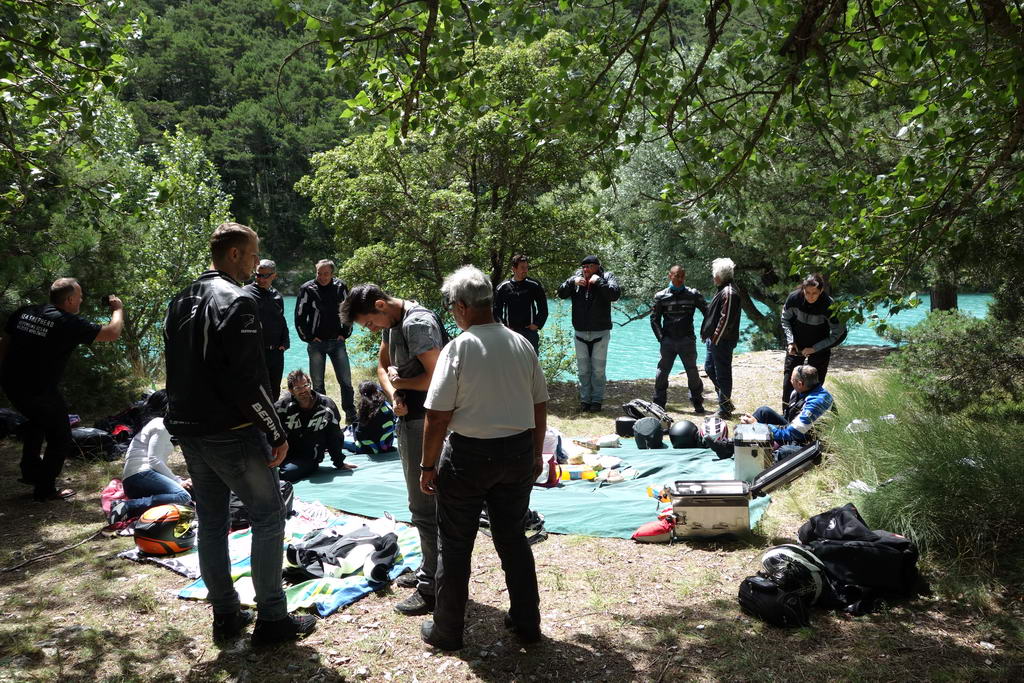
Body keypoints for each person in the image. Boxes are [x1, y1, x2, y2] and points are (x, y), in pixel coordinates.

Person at [164, 221, 316, 645]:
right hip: (230, 429)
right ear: (233, 255)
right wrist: (277, 430)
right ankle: (272, 619)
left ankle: (226, 614)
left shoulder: (180, 300)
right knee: (268, 516)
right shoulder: (239, 300)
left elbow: (175, 370)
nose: (256, 262)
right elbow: (249, 382)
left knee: (212, 520)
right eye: (252, 254)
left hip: (190, 428)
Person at [418, 266, 548, 651]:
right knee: (512, 540)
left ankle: (447, 631)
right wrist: (537, 452)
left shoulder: (460, 347)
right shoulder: (521, 343)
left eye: (451, 307)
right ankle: (527, 622)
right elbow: (539, 404)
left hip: (469, 458)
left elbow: (438, 415)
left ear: (461, 306)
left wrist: (427, 465)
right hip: (518, 452)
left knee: (455, 546)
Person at [341, 284, 446, 616]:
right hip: (409, 416)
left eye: (370, 323)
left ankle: (433, 585)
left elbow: (437, 378)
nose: (371, 330)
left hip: (425, 422)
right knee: (423, 505)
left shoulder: (417, 324)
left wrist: (401, 386)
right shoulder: (394, 322)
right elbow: (383, 365)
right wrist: (393, 395)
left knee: (425, 506)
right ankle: (433, 570)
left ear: (381, 305)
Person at [0, 278, 123, 501]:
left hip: (12, 384)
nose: (82, 299)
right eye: (80, 296)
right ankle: (44, 489)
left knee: (37, 422)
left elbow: (4, 343)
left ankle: (31, 473)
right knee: (60, 436)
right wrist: (117, 309)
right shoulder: (67, 322)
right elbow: (112, 333)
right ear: (69, 300)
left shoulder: (26, 311)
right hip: (39, 390)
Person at [108, 390, 192, 525]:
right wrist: (177, 480)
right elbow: (154, 461)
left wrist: (177, 480)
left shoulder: (155, 424)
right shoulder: (160, 425)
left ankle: (131, 506)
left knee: (188, 491)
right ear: (168, 407)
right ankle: (127, 506)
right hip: (139, 477)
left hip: (136, 482)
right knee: (183, 496)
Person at [556, 255, 622, 412]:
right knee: (583, 370)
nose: (586, 270)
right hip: (580, 332)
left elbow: (615, 294)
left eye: (589, 266)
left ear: (597, 267)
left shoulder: (607, 277)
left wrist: (599, 282)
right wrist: (571, 282)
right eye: (584, 267)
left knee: (598, 370)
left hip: (601, 332)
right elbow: (561, 293)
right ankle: (585, 400)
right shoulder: (576, 280)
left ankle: (597, 401)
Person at [295, 259, 356, 424]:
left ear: (332, 273)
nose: (322, 277)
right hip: (316, 344)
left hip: (337, 342)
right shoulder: (307, 289)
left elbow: (349, 311)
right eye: (319, 273)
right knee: (318, 384)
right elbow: (299, 316)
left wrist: (345, 333)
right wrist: (307, 337)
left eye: (326, 274)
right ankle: (322, 414)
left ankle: (351, 414)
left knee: (345, 381)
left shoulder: (340, 287)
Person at [275, 369, 357, 483]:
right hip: (284, 452)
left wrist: (339, 462)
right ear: (291, 390)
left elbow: (335, 436)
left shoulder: (327, 405)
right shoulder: (282, 407)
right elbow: (270, 431)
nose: (303, 390)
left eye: (306, 385)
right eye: (298, 388)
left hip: (309, 455)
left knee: (287, 474)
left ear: (310, 385)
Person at [780, 273, 847, 410]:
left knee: (814, 385)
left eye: (814, 293)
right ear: (803, 289)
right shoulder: (794, 298)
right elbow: (785, 320)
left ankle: (810, 416)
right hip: (797, 345)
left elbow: (838, 333)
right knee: (789, 382)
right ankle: (787, 416)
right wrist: (790, 341)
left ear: (821, 291)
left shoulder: (829, 305)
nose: (810, 296)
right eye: (807, 292)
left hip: (819, 348)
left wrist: (815, 348)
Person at [740, 365, 833, 458]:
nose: (790, 381)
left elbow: (791, 433)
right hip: (798, 432)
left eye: (792, 379)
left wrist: (759, 427)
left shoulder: (816, 403)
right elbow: (788, 420)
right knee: (763, 411)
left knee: (785, 452)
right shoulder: (800, 391)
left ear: (800, 383)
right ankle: (741, 443)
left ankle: (759, 457)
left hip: (810, 442)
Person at [650, 265, 709, 413]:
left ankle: (697, 402)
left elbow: (708, 312)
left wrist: (704, 331)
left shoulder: (693, 294)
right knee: (662, 371)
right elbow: (654, 319)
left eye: (682, 276)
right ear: (670, 276)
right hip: (668, 340)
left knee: (692, 372)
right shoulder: (660, 296)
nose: (680, 279)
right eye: (677, 276)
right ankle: (659, 403)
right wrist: (661, 338)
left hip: (687, 340)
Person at [700, 257, 741, 417]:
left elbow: (726, 320)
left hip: (722, 341)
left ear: (719, 276)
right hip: (716, 340)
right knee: (709, 368)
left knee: (723, 373)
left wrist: (715, 338)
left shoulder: (729, 292)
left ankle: (724, 409)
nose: (713, 277)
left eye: (714, 274)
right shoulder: (724, 289)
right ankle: (725, 402)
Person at [244, 259, 290, 401]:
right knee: (255, 389)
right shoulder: (246, 293)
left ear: (274, 276)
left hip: (276, 351)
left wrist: (285, 341)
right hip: (256, 352)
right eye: (258, 275)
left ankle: (274, 419)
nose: (261, 279)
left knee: (274, 388)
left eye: (265, 276)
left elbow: (281, 320)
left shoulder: (276, 295)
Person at [493, 254, 548, 354]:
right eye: (522, 267)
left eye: (527, 267)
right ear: (514, 269)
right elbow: (496, 311)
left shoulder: (534, 285)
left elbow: (543, 307)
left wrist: (536, 324)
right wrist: (503, 326)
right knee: (510, 363)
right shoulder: (503, 287)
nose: (525, 270)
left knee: (531, 364)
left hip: (529, 332)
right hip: (510, 333)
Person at [343, 380, 397, 455]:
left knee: (340, 440)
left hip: (370, 448)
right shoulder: (386, 405)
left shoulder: (365, 410)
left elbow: (360, 435)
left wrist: (355, 435)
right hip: (386, 445)